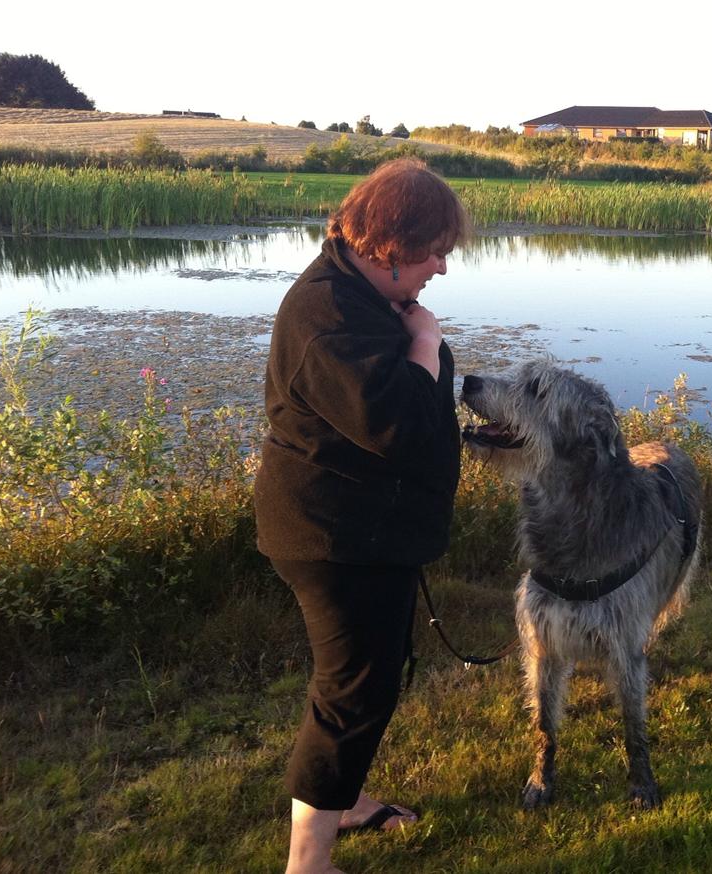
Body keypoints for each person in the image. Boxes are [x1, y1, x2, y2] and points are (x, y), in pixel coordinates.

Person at [253, 158, 469, 874]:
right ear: (391, 244)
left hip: (364, 533)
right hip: (335, 539)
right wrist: (427, 344)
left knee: (367, 681)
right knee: (351, 695)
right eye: (434, 249)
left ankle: (342, 800)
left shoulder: (361, 299)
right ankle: (308, 864)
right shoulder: (329, 318)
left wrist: (419, 344)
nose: (441, 265)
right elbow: (399, 425)